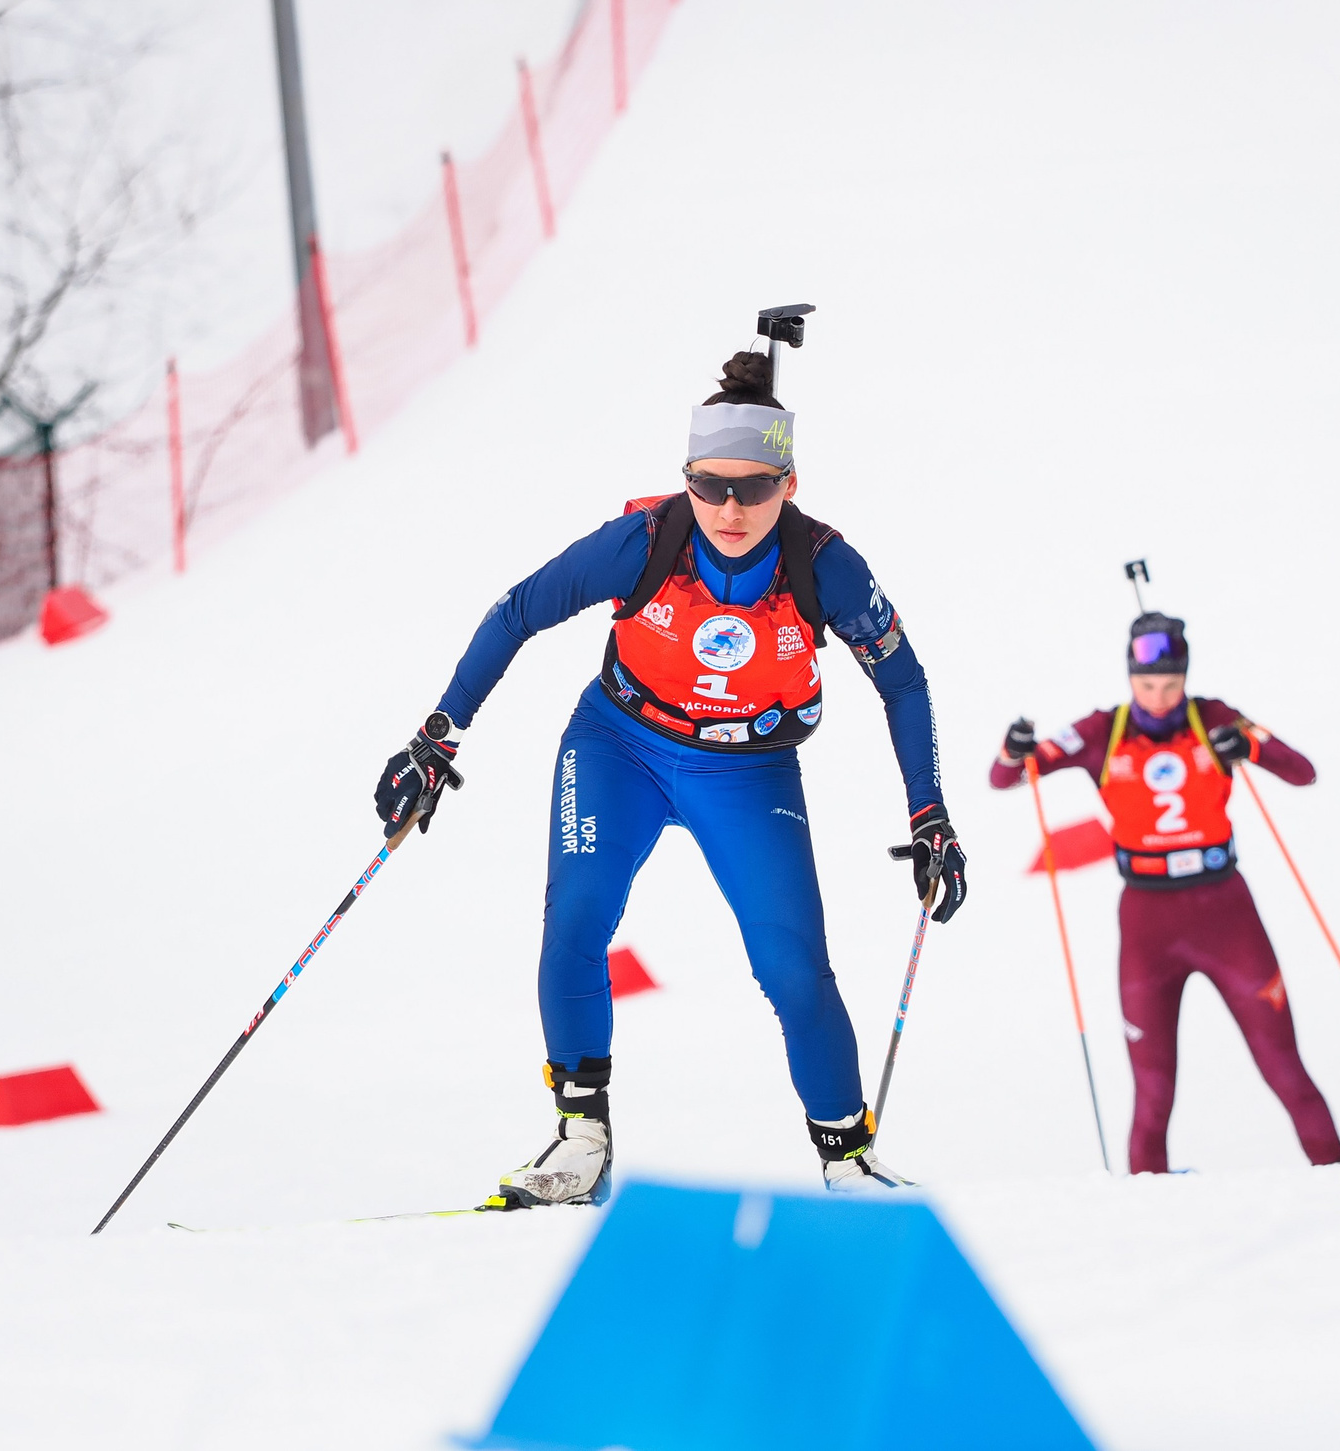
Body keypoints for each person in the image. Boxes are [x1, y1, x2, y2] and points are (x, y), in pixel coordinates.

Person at [374, 350, 969, 1206]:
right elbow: (518, 610)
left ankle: (848, 1159)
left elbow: (903, 681)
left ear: (789, 483)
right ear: (686, 477)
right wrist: (438, 737)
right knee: (575, 920)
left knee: (792, 965)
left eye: (753, 488)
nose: (730, 508)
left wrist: (930, 814)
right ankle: (581, 1141)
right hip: (619, 746)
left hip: (748, 770)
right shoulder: (644, 542)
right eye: (709, 484)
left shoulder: (826, 566)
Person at [989, 612, 1340, 1171]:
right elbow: (1007, 777)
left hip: (1226, 915)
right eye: (1148, 685)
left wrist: (1248, 748)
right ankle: (1146, 1207)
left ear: (1186, 677)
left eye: (1171, 685)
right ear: (1130, 678)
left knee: (1284, 1069)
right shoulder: (1102, 730)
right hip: (1147, 925)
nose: (1159, 698)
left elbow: (1302, 772)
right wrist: (1014, 749)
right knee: (1153, 1090)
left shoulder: (1216, 718)